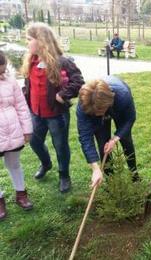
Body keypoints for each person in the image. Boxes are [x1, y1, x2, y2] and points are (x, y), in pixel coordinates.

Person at [22, 23, 84, 193]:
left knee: (60, 145)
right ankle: (46, 163)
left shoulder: (61, 61)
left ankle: (64, 175)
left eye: (29, 39)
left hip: (56, 115)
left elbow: (78, 81)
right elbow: (29, 86)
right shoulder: (31, 61)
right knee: (34, 141)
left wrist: (63, 95)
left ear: (41, 41)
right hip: (36, 113)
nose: (27, 43)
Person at [77, 75, 139, 188]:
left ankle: (134, 175)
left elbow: (130, 119)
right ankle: (111, 183)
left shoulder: (123, 96)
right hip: (97, 108)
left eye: (100, 112)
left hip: (117, 107)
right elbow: (85, 136)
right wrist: (95, 168)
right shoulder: (84, 102)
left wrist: (115, 138)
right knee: (103, 145)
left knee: (126, 140)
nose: (98, 115)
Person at [0, 51, 33, 220]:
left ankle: (21, 194)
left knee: (14, 163)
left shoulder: (11, 81)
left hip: (13, 130)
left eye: (3, 71)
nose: (1, 74)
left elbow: (21, 105)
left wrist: (27, 129)